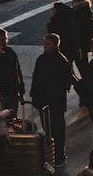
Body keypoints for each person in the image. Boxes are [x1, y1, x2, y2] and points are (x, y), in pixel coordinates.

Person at [31, 33, 75, 168]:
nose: (45, 46)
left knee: (54, 129)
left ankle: (58, 154)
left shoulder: (48, 60)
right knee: (52, 128)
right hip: (53, 100)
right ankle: (56, 154)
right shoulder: (59, 60)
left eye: (47, 44)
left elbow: (37, 79)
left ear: (55, 45)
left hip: (51, 100)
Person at [0, 27, 24, 111]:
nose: (4, 42)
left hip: (12, 91)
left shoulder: (10, 52)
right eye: (2, 39)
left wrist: (21, 89)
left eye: (5, 39)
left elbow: (17, 71)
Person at [48, 0, 81, 79]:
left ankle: (75, 83)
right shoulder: (71, 18)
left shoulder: (55, 22)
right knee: (74, 67)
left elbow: (52, 35)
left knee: (66, 69)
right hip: (73, 47)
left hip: (63, 48)